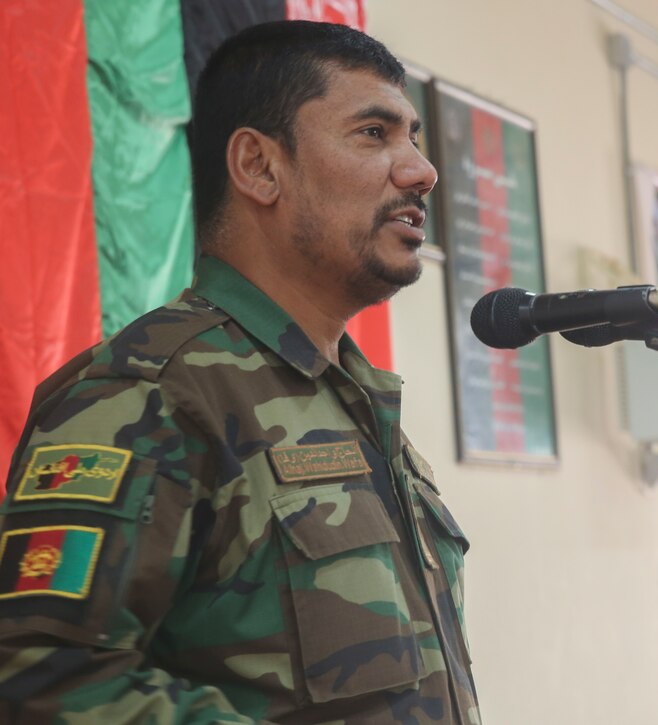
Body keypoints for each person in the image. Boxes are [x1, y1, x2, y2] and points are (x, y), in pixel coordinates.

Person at [0, 20, 479, 724]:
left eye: (413, 137)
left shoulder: (354, 402)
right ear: (259, 166)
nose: (420, 170)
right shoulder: (152, 391)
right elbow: (42, 677)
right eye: (374, 133)